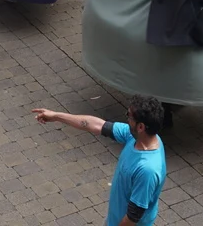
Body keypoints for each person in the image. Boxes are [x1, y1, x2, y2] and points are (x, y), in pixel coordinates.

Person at [31, 96, 166, 226]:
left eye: (129, 116)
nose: (127, 119)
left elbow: (133, 217)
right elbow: (97, 125)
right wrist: (56, 116)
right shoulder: (137, 137)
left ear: (141, 127)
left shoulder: (147, 170)